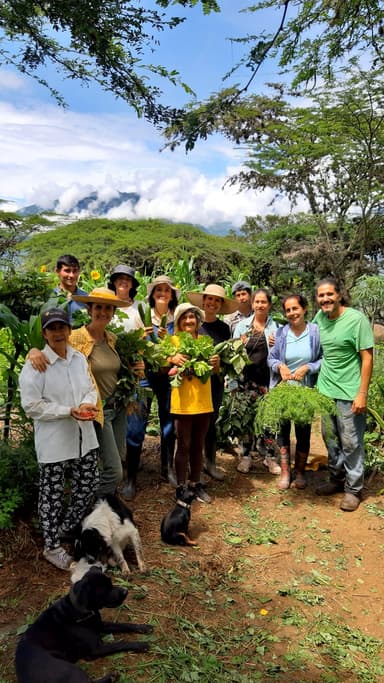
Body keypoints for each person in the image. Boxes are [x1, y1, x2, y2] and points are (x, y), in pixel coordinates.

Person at [28, 288, 129, 497]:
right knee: (114, 471)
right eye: (98, 307)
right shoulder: (74, 337)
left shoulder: (112, 339)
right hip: (96, 411)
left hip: (117, 409)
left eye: (108, 308)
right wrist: (33, 351)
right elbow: (46, 348)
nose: (103, 312)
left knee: (115, 460)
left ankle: (102, 507)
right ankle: (91, 507)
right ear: (89, 309)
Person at [19, 308, 99, 571]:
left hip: (83, 435)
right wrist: (67, 411)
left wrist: (86, 404)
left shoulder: (77, 358)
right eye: (52, 328)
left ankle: (66, 528)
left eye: (62, 327)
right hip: (54, 440)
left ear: (68, 329)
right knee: (51, 493)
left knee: (88, 482)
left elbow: (89, 388)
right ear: (44, 333)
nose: (58, 333)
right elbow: (31, 406)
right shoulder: (36, 364)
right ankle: (52, 547)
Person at [313, 277, 374, 512]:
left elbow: (367, 358)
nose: (326, 299)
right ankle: (336, 480)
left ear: (339, 294)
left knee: (351, 442)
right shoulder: (320, 318)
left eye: (329, 294)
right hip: (326, 390)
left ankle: (354, 489)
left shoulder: (356, 319)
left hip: (349, 392)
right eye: (321, 295)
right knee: (331, 439)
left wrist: (362, 394)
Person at [268, 294, 322, 490]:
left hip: (305, 391)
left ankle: (299, 471)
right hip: (283, 391)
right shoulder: (281, 333)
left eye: (295, 309)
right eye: (288, 310)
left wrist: (309, 367)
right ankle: (285, 472)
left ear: (304, 309)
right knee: (282, 431)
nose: (292, 313)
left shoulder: (315, 332)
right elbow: (271, 358)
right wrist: (279, 366)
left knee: (303, 431)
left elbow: (323, 359)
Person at [167, 302, 220, 503]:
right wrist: (172, 358)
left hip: (203, 400)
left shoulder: (206, 341)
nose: (189, 321)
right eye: (185, 317)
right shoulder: (172, 341)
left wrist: (216, 364)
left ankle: (195, 483)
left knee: (198, 444)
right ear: (179, 321)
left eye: (193, 317)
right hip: (182, 402)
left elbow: (215, 371)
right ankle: (181, 487)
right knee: (183, 444)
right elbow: (163, 369)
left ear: (198, 321)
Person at [187, 283, 238, 480]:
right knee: (194, 424)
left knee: (211, 423)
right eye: (210, 299)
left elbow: (226, 359)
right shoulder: (194, 323)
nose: (212, 303)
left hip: (214, 383)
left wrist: (220, 368)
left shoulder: (224, 329)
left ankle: (210, 462)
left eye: (217, 300)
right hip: (194, 383)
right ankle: (195, 465)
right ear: (203, 300)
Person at [107, 265, 145, 500]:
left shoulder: (140, 308)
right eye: (119, 279)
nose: (123, 282)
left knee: (135, 427)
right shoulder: (106, 306)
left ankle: (131, 479)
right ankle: (111, 474)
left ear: (132, 284)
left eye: (127, 279)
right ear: (114, 283)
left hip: (134, 376)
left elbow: (148, 341)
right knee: (110, 426)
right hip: (109, 376)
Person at [233, 288, 278, 474]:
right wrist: (239, 344)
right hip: (245, 381)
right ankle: (245, 456)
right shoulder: (242, 326)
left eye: (263, 302)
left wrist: (276, 343)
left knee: (269, 420)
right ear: (252, 304)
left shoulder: (276, 328)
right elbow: (232, 355)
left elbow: (280, 356)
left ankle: (269, 457)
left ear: (269, 305)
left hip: (267, 381)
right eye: (257, 302)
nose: (260, 305)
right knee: (246, 419)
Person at [145, 275, 180, 486]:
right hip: (146, 376)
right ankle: (131, 475)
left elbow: (182, 345)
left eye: (167, 290)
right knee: (138, 424)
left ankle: (167, 468)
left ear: (171, 296)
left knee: (169, 423)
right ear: (152, 294)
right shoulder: (144, 316)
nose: (163, 293)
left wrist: (168, 340)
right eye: (159, 290)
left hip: (168, 377)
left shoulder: (176, 317)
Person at [53, 254, 88, 320]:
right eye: (67, 271)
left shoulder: (86, 298)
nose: (72, 275)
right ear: (57, 271)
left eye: (75, 271)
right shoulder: (49, 297)